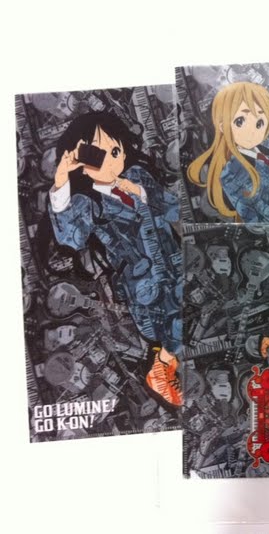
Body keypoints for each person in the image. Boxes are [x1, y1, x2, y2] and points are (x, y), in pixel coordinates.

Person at [47, 111, 182, 406]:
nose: (110, 162)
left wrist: (142, 193)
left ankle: (164, 366)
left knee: (184, 316)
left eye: (115, 151)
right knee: (167, 325)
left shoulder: (137, 176)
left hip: (173, 262)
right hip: (142, 281)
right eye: (97, 157)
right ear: (82, 166)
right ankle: (160, 370)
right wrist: (60, 181)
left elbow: (172, 207)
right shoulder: (89, 203)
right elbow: (70, 238)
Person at [187, 82, 269, 222]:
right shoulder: (235, 173)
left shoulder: (263, 147)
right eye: (240, 122)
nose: (252, 130)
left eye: (259, 123)